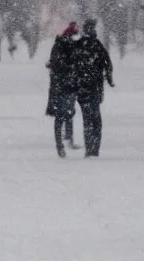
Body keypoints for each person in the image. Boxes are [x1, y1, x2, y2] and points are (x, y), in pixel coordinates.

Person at [74, 18, 114, 157]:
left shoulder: (78, 45)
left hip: (82, 87)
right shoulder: (97, 45)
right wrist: (109, 79)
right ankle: (94, 148)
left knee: (88, 117)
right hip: (95, 86)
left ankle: (90, 147)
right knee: (95, 117)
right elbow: (107, 64)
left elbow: (71, 65)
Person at [46, 23, 80, 157]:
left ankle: (62, 142)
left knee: (63, 114)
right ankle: (64, 141)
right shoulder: (68, 47)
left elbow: (54, 64)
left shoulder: (59, 46)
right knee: (66, 113)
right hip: (66, 86)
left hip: (60, 86)